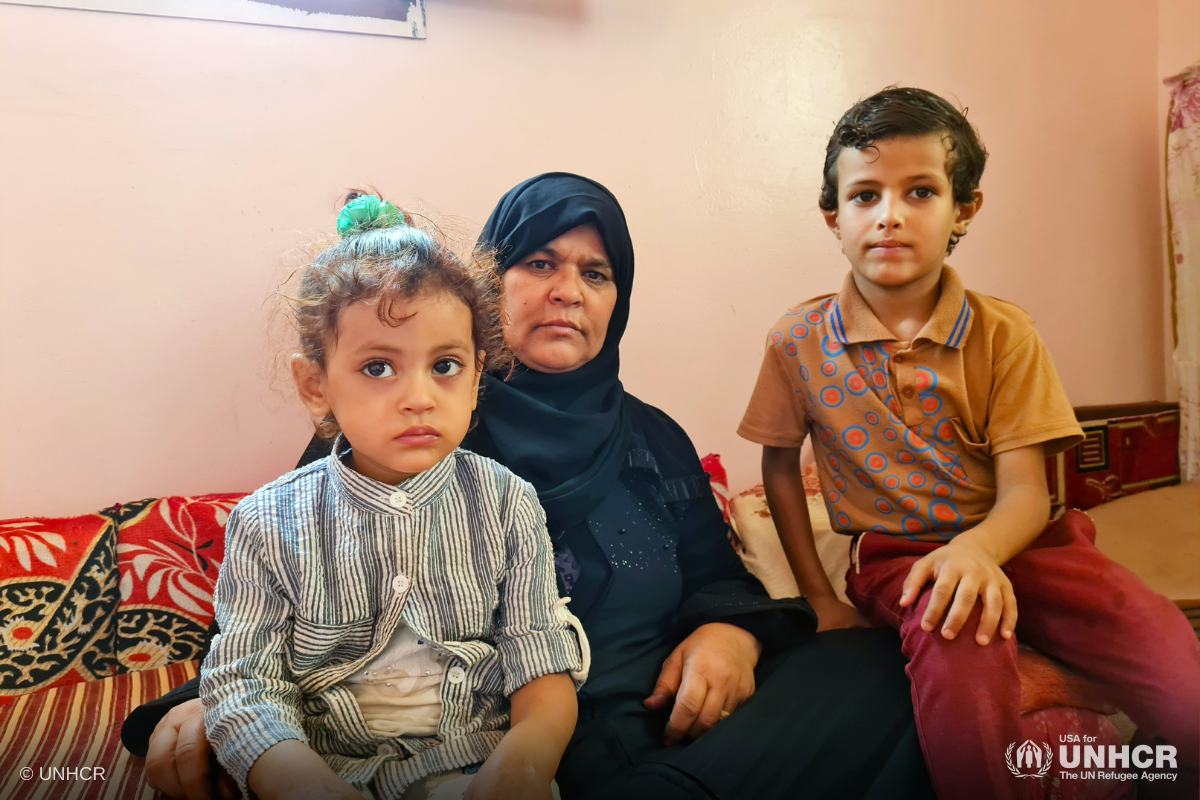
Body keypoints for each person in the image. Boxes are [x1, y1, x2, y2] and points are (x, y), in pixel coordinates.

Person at [124, 173, 933, 800]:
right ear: (489, 282)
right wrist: (208, 711)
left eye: (597, 272)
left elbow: (718, 580)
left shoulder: (652, 438)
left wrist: (734, 636)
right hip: (483, 746)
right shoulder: (404, 425)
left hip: (657, 728)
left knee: (869, 668)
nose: (569, 291)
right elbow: (307, 595)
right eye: (539, 262)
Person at [738, 87, 1200, 800]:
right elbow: (777, 464)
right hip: (901, 558)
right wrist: (820, 596)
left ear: (964, 209)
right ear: (834, 216)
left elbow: (1027, 492)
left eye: (919, 191)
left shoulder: (1004, 334)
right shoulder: (796, 341)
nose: (889, 214)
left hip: (1029, 543)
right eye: (865, 195)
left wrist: (980, 551)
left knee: (1169, 658)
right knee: (961, 645)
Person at [199, 193, 587, 800]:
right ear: (315, 384)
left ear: (478, 375)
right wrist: (297, 782)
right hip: (327, 773)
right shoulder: (266, 521)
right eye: (379, 368)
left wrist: (525, 764)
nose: (420, 397)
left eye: (446, 365)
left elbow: (540, 664)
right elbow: (244, 684)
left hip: (478, 771)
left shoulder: (508, 502)